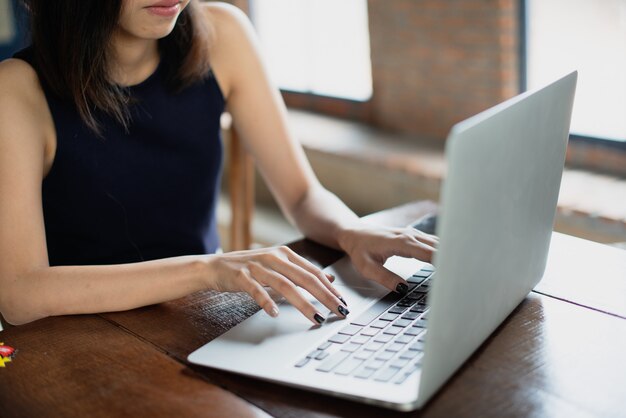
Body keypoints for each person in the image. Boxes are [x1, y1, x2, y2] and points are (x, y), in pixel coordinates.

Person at [0, 0, 437, 327]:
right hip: (82, 337)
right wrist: (206, 269)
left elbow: (303, 194)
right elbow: (20, 293)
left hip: (198, 319)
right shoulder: (17, 91)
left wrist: (350, 229)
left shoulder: (222, 34)